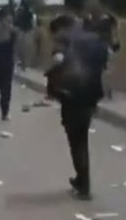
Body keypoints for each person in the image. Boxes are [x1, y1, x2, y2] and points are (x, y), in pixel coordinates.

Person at [46, 14, 108, 201]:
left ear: (61, 28)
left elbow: (57, 59)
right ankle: (82, 179)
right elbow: (106, 60)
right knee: (83, 137)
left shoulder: (64, 40)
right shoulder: (93, 38)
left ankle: (83, 182)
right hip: (91, 93)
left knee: (76, 140)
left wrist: (48, 72)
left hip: (70, 94)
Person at [81, 0, 119, 100]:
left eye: (94, 1)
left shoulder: (108, 18)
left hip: (105, 46)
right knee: (93, 71)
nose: (91, 4)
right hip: (92, 48)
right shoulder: (87, 19)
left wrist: (114, 43)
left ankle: (107, 93)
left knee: (106, 71)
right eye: (90, 1)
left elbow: (114, 32)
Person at [14, 0, 37, 70]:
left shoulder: (19, 13)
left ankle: (22, 62)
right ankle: (28, 63)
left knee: (20, 48)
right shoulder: (31, 14)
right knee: (28, 48)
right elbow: (34, 23)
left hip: (21, 32)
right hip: (29, 32)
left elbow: (16, 23)